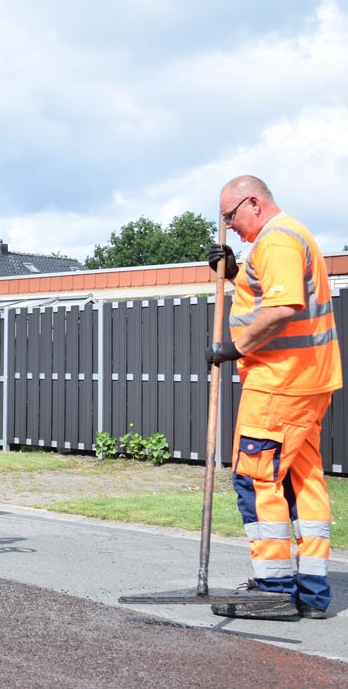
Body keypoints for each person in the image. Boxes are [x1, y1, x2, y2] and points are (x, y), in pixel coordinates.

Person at [205, 175, 339, 621]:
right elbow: (270, 292)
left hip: (278, 385)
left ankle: (274, 592)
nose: (230, 225)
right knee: (304, 482)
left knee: (257, 480)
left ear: (254, 203)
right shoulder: (292, 235)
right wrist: (235, 271)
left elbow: (283, 307)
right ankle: (312, 592)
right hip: (307, 383)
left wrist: (234, 347)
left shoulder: (277, 240)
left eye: (231, 216)